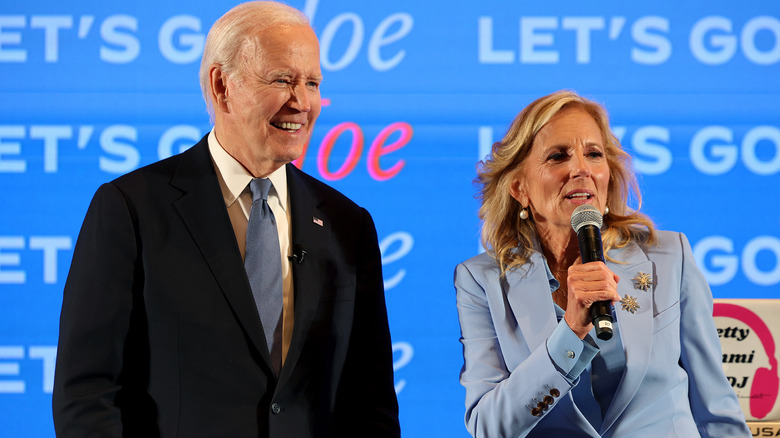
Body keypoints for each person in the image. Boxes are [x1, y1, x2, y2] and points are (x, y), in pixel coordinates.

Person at [52, 2, 400, 437]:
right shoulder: (130, 208)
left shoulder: (348, 224)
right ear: (222, 86)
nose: (303, 103)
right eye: (283, 80)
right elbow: (87, 393)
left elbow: (371, 402)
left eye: (312, 83)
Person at [454, 90, 750, 437]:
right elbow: (488, 426)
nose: (581, 169)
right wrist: (571, 332)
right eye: (558, 156)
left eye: (593, 154)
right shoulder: (481, 280)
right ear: (520, 187)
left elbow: (716, 411)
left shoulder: (670, 257)